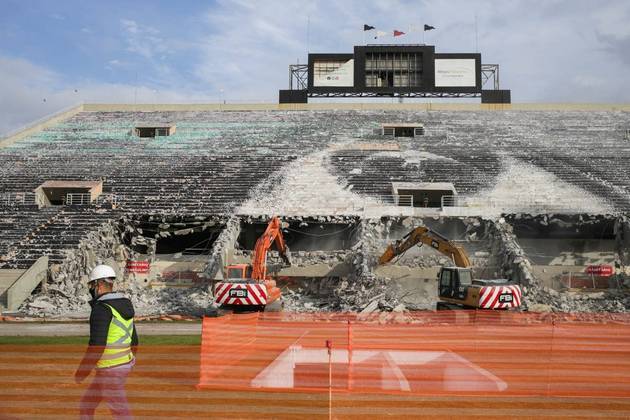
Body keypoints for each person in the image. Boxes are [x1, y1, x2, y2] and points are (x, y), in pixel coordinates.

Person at [75, 264, 138, 419]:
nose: (91, 289)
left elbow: (97, 345)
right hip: (121, 365)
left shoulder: (102, 308)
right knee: (86, 405)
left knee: (121, 412)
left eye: (92, 285)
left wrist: (82, 372)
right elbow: (134, 340)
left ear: (99, 285)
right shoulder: (125, 303)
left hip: (110, 369)